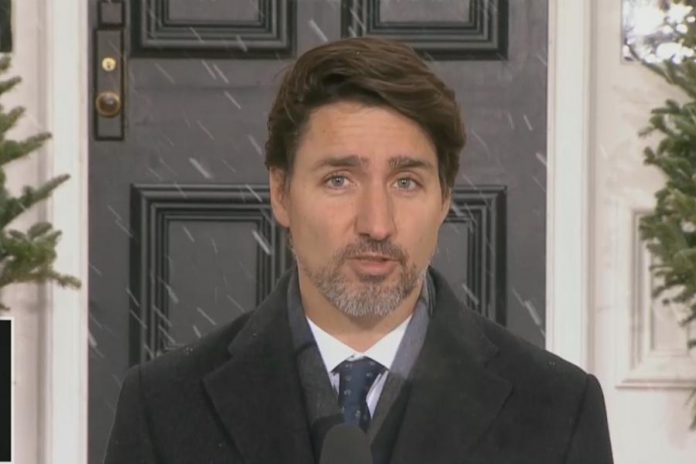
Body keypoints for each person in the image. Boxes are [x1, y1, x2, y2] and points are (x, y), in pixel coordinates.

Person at [104, 37, 613, 464]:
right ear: (280, 194)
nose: (377, 223)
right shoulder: (164, 404)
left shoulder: (557, 408)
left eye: (407, 181)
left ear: (445, 199)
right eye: (340, 179)